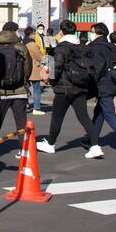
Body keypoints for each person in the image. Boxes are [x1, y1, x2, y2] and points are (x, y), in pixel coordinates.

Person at [36, 20, 97, 154]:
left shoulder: (61, 47)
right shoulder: (82, 47)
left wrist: (50, 80)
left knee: (57, 117)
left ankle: (51, 143)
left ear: (62, 31)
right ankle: (95, 145)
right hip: (80, 86)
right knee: (84, 117)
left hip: (64, 88)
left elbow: (56, 67)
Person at [84, 23, 116, 158]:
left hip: (103, 84)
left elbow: (97, 68)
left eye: (92, 31)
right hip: (112, 82)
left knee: (109, 113)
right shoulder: (110, 46)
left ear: (97, 33)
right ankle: (91, 139)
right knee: (99, 113)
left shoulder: (97, 47)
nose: (91, 34)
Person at [0, 23, 32, 144]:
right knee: (21, 122)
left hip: (1, 91)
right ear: (14, 31)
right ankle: (24, 149)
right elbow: (28, 66)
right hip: (19, 90)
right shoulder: (21, 46)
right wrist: (23, 79)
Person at [24, 25, 47, 116]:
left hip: (25, 68)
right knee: (37, 89)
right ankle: (36, 108)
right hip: (34, 69)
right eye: (34, 33)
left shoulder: (23, 42)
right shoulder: (32, 44)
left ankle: (25, 105)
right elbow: (39, 56)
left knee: (25, 88)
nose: (35, 34)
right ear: (31, 34)